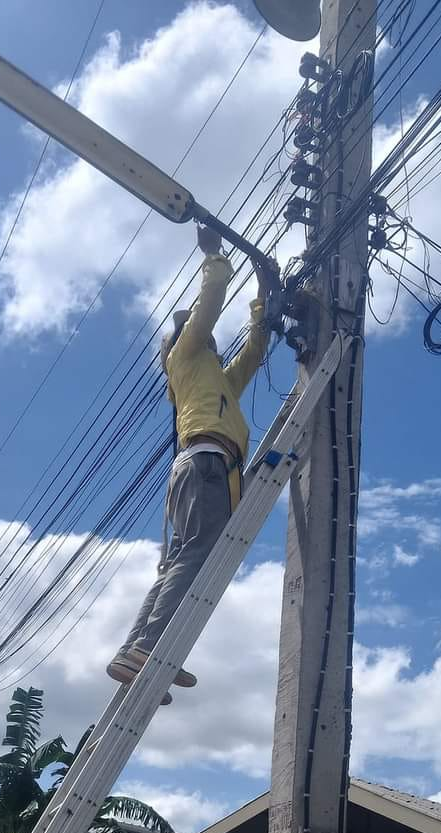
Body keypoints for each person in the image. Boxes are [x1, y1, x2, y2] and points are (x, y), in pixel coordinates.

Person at [107, 223, 276, 696]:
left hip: (202, 467)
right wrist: (216, 255)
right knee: (197, 553)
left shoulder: (215, 381)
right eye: (202, 332)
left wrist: (262, 298)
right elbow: (211, 301)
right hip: (206, 466)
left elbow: (255, 353)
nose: (213, 339)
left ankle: (136, 649)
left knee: (181, 560)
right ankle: (152, 646)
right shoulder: (184, 355)